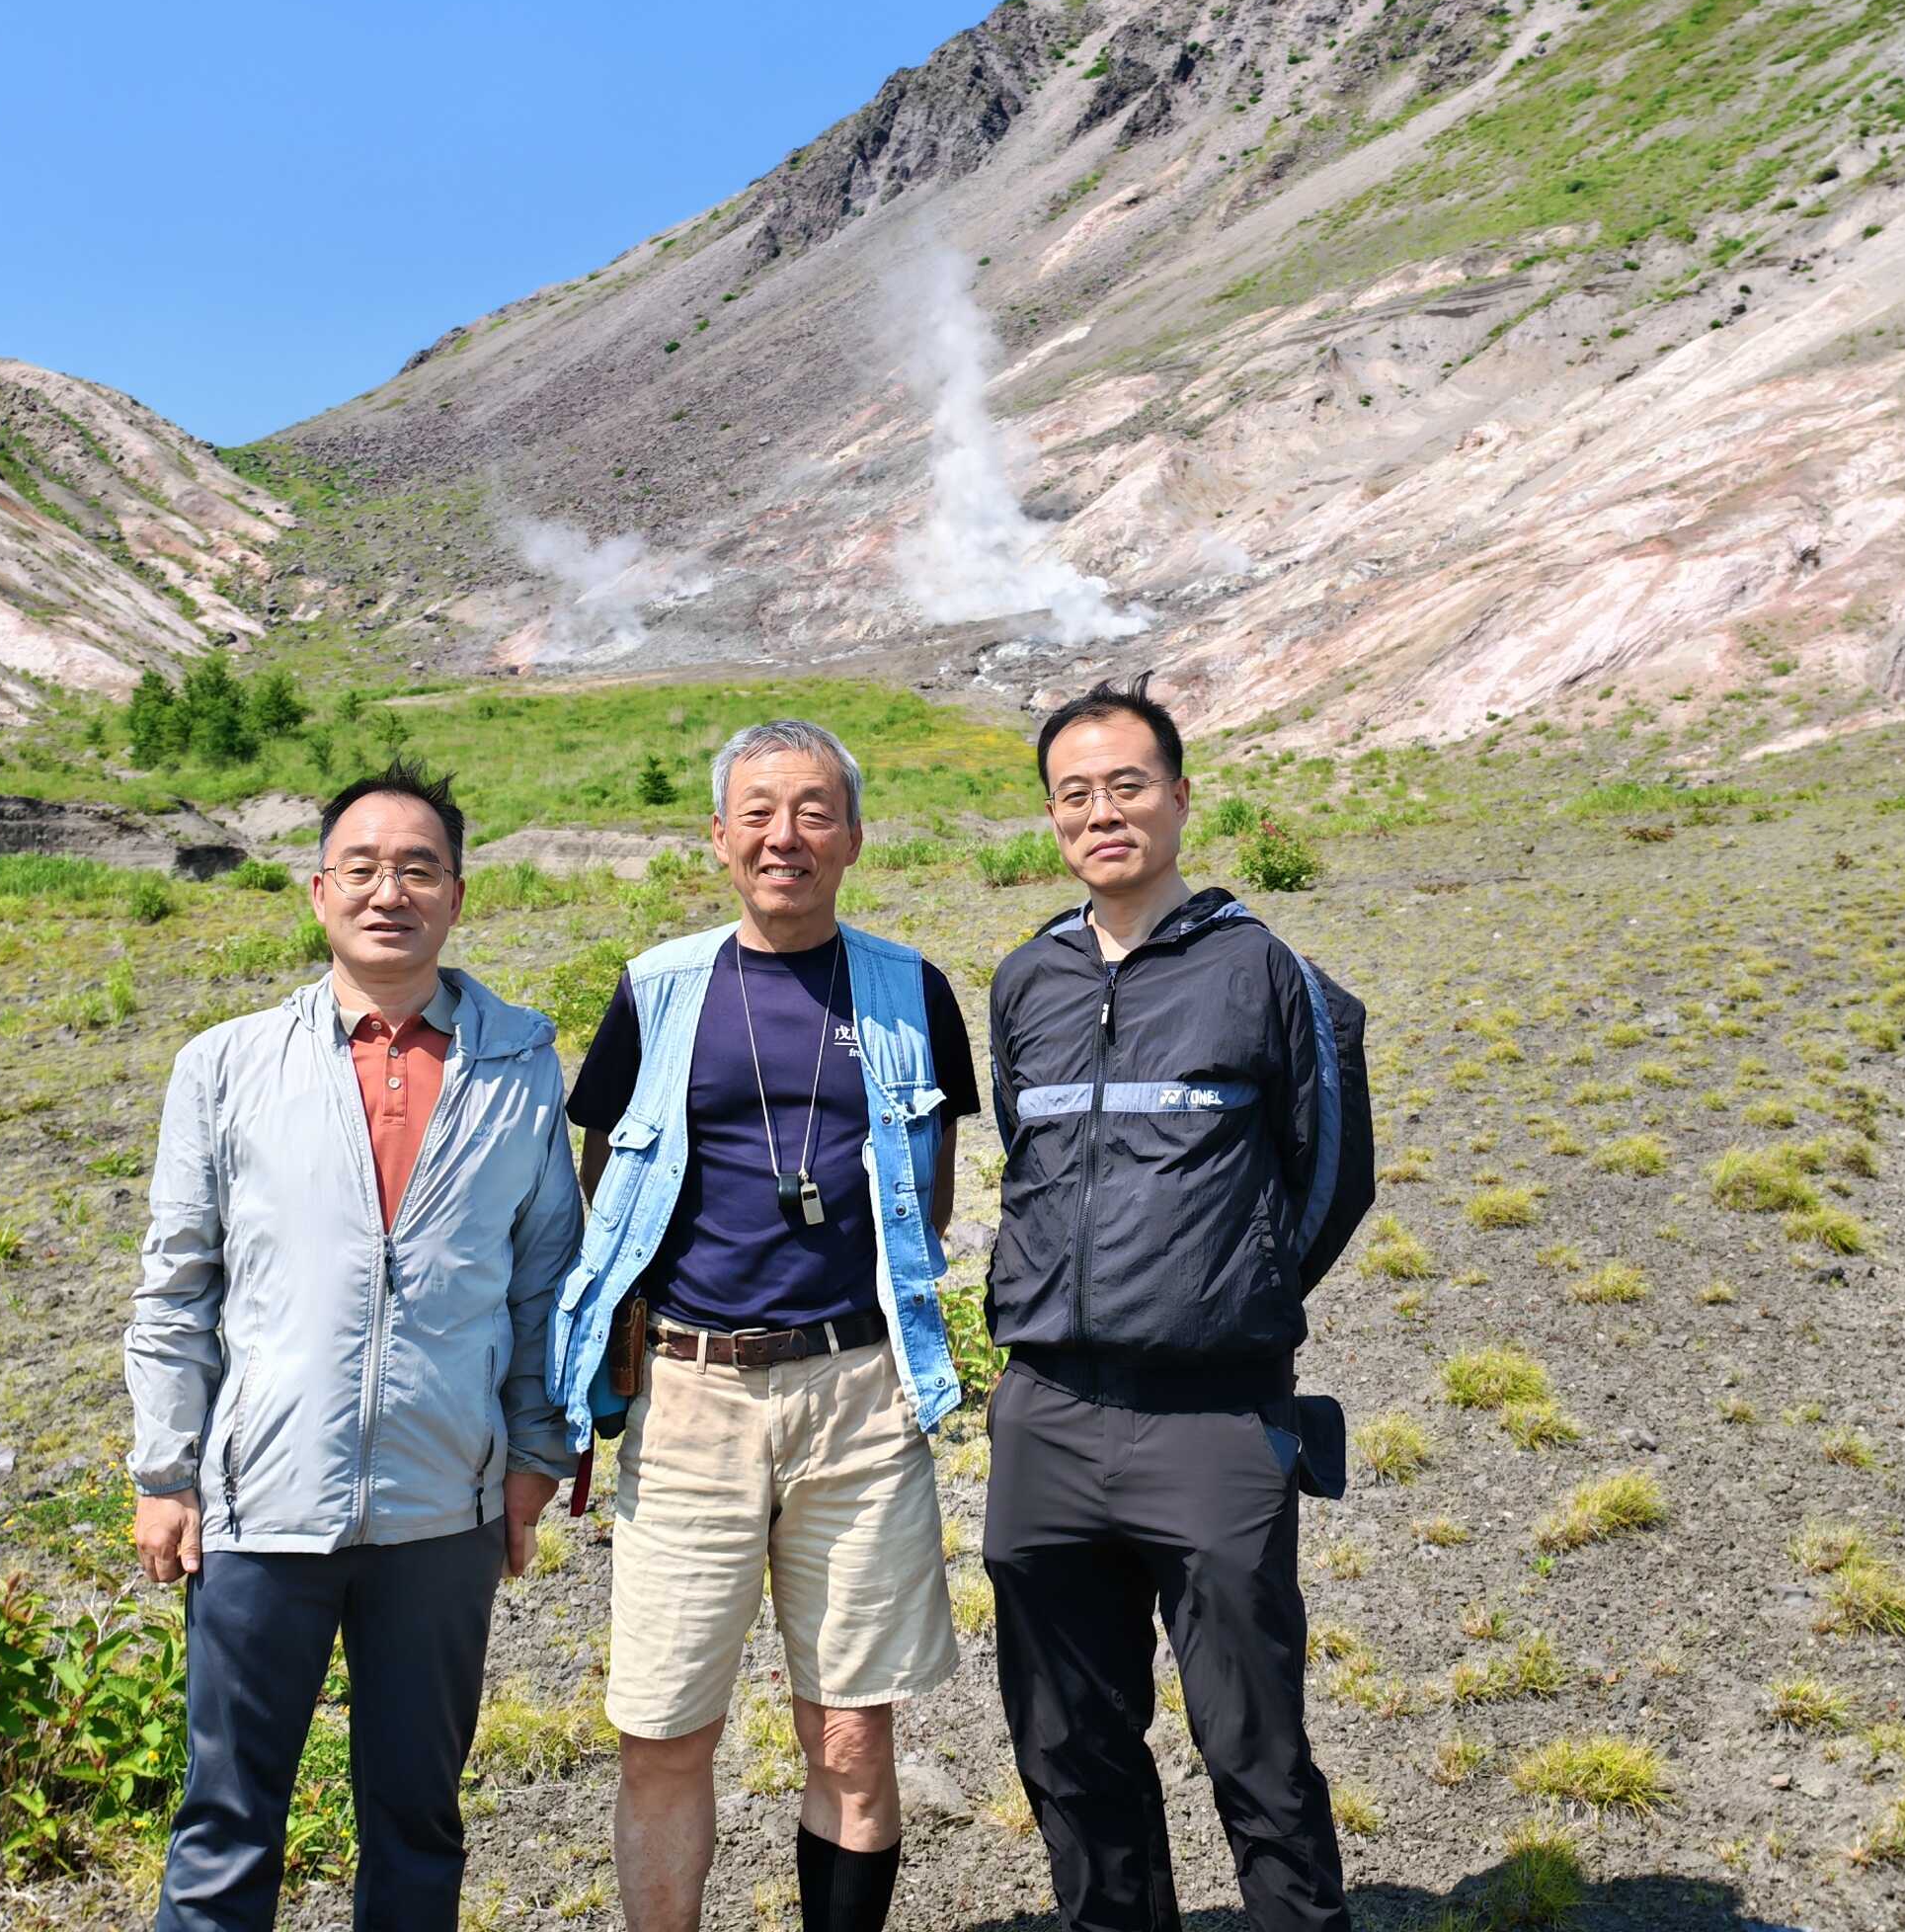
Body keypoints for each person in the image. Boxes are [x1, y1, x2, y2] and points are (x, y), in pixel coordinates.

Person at [125, 760, 582, 1932]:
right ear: (319, 890)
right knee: (226, 1820)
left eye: (419, 869)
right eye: (363, 867)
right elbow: (177, 1287)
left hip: (442, 1506)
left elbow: (545, 1281)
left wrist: (533, 1455)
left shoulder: (520, 1064)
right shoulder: (226, 1064)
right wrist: (166, 1472)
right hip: (260, 1503)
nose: (391, 892)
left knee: (418, 1821)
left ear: (457, 896)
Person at [547, 719, 980, 1932]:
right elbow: (605, 1189)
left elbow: (930, 1191)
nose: (785, 837)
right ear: (719, 836)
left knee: (850, 1735)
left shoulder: (910, 992)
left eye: (813, 811)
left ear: (853, 836)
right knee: (663, 1732)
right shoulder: (657, 989)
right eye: (758, 812)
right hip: (690, 1397)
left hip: (857, 1397)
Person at [980, 675, 1377, 1932]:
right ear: (1053, 817)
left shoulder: (1269, 973)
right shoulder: (1026, 981)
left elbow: (1332, 1180)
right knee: (1067, 1745)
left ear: (1180, 797)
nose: (1101, 813)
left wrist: (1229, 1295)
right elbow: (1028, 1161)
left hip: (1213, 1422)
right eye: (1073, 795)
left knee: (1253, 1746)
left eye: (1126, 785)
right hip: (1045, 1416)